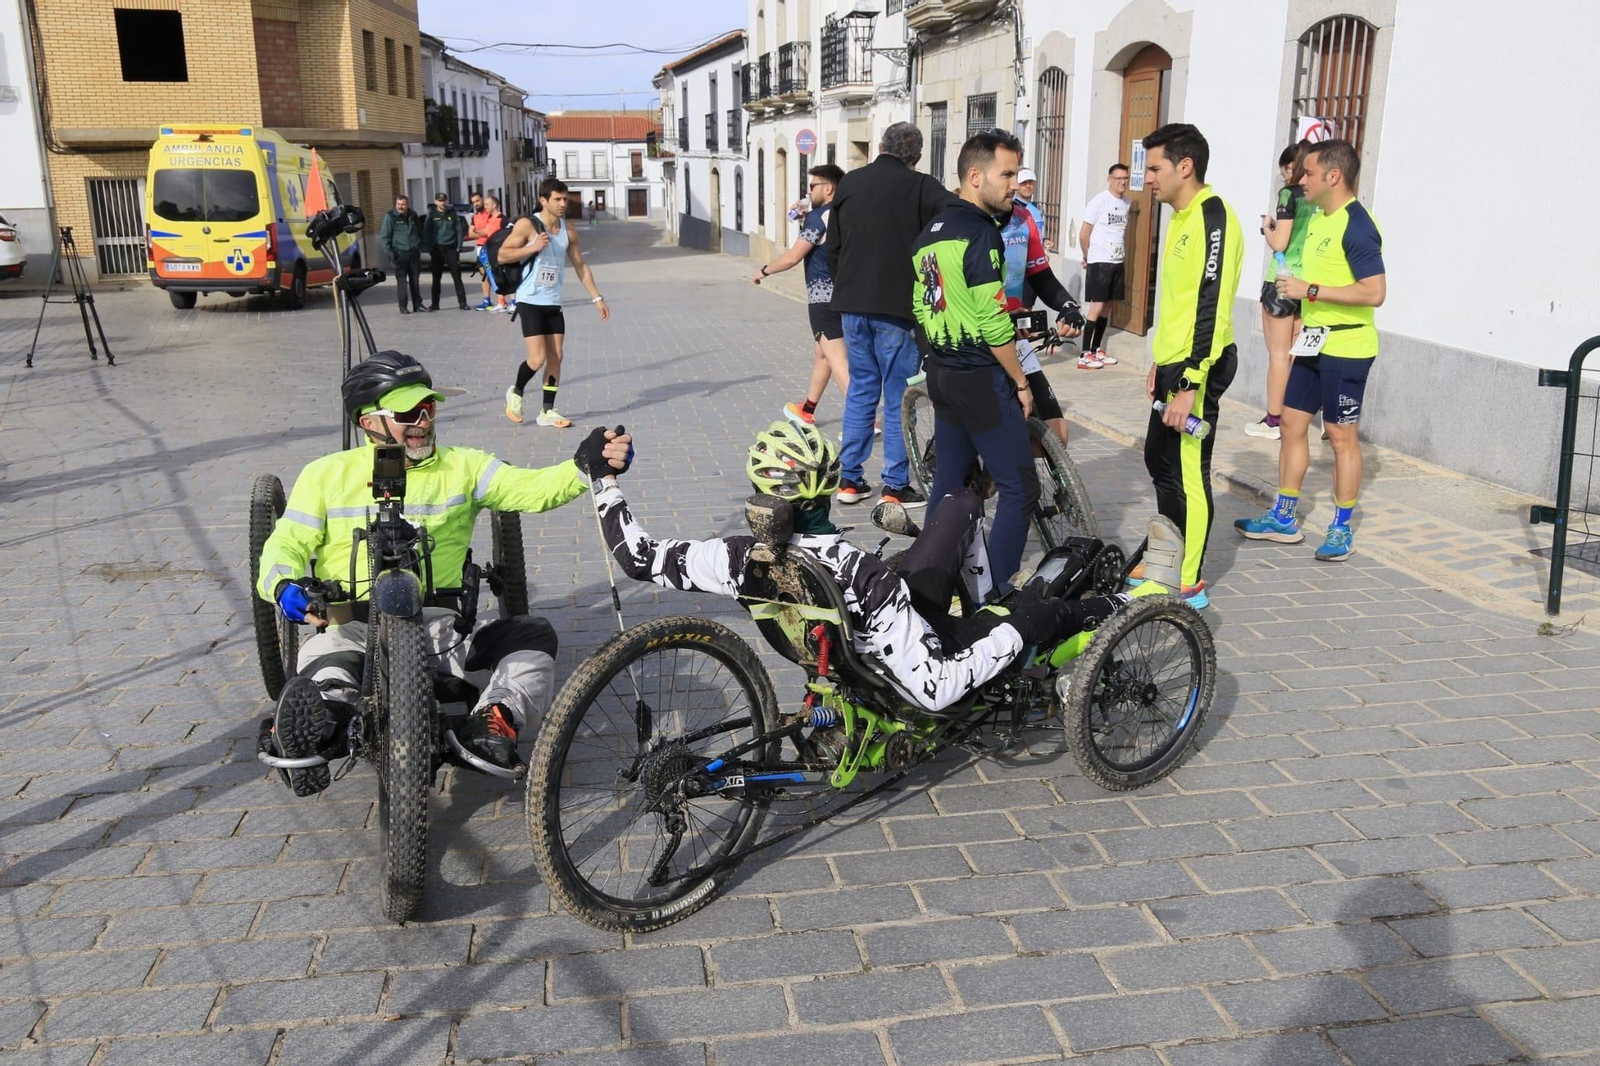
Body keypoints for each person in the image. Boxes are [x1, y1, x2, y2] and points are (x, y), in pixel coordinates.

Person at [592, 419, 1186, 714]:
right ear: (824, 493)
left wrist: (602, 477)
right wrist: (1014, 631)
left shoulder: (736, 556)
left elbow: (635, 556)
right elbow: (934, 689)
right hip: (910, 646)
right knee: (1042, 609)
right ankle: (1137, 596)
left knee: (959, 506)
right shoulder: (857, 571)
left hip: (850, 631)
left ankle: (967, 566)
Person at [255, 351, 634, 794]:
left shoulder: (464, 465)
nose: (423, 420)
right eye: (407, 412)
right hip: (350, 629)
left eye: (428, 407)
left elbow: (531, 490)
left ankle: (494, 722)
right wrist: (284, 585)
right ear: (368, 421)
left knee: (532, 637)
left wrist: (583, 466)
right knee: (330, 671)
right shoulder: (324, 475)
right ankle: (321, 724)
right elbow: (286, 542)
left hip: (441, 631)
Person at [1236, 138, 1385, 562]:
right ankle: (1284, 517)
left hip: (1348, 345)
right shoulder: (1319, 217)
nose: (1301, 179)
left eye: (1310, 173)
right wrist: (1298, 293)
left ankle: (1340, 528)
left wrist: (1311, 290)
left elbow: (1375, 292)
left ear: (1333, 177)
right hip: (1314, 340)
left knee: (1340, 436)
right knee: (1290, 424)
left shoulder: (1357, 224)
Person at [910, 129, 1039, 592]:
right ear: (975, 175)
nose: (1014, 183)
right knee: (1020, 489)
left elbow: (922, 308)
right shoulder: (980, 233)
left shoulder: (930, 233)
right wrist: (1020, 382)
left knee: (948, 487)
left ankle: (928, 588)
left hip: (943, 374)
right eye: (1007, 174)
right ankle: (998, 603)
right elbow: (992, 317)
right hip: (980, 379)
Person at [824, 121, 958, 508]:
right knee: (899, 395)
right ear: (915, 157)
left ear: (880, 146)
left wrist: (848, 285)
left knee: (862, 389)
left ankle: (849, 480)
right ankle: (894, 486)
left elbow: (833, 246)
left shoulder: (849, 183)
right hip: (897, 308)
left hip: (852, 305)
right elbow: (956, 212)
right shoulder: (921, 186)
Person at [1138, 123, 1242, 610]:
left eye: (1155, 167)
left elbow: (1210, 306)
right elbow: (1177, 301)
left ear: (1185, 166)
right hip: (1173, 363)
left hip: (1198, 367)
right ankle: (1168, 559)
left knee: (1188, 472)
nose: (1148, 177)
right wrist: (1158, 363)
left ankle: (1189, 581)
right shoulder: (1179, 216)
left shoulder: (1213, 217)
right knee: (1158, 461)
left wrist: (1187, 384)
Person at [498, 177, 610, 429]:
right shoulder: (528, 225)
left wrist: (597, 298)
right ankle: (516, 392)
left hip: (553, 302)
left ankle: (547, 410)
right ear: (543, 200)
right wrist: (532, 247)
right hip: (529, 301)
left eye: (564, 199)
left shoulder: (568, 230)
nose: (562, 204)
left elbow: (580, 266)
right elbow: (503, 255)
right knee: (537, 359)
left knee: (556, 356)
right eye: (557, 199)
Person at [753, 164, 851, 429]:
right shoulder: (842, 213)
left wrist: (764, 270)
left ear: (828, 188)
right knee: (822, 353)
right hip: (845, 294)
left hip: (822, 298)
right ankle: (807, 409)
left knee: (838, 359)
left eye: (812, 186)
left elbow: (794, 256)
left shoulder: (818, 218)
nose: (808, 191)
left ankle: (864, 421)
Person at [999, 178, 1087, 446]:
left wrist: (1068, 306)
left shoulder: (1023, 217)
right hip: (980, 340)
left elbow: (1041, 275)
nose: (1014, 183)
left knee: (1057, 436)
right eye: (1007, 174)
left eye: (1016, 173)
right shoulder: (968, 220)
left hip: (1017, 333)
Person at [1246, 142, 1319, 440]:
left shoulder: (1289, 194)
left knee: (1277, 355)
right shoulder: (1321, 197)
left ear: (1291, 167)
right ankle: (1293, 417)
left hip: (1282, 280)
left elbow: (1280, 243)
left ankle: (1273, 421)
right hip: (1308, 285)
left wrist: (1267, 227)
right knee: (1295, 355)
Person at [1078, 163, 1132, 369]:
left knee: (1107, 306)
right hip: (1099, 261)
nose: (1122, 182)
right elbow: (1085, 233)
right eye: (1118, 178)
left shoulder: (1127, 203)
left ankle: (1096, 349)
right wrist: (1087, 255)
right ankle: (1084, 353)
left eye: (1125, 178)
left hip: (1117, 260)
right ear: (1109, 179)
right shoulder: (1099, 201)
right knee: (1097, 306)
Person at [379, 195, 424, 314]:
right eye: (398, 204)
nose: (400, 207)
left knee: (415, 280)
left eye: (403, 204)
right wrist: (391, 255)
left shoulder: (413, 215)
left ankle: (417, 304)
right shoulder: (390, 217)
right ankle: (403, 306)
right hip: (399, 253)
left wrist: (419, 245)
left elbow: (419, 231)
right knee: (402, 281)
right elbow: (384, 238)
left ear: (407, 205)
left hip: (413, 253)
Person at [425, 192, 469, 312]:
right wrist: (429, 248)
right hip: (437, 249)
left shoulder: (452, 214)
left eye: (444, 200)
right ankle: (435, 304)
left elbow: (459, 231)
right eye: (439, 201)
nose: (442, 203)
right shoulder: (432, 215)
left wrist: (458, 247)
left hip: (451, 249)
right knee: (436, 278)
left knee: (457, 277)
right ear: (435, 202)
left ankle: (463, 303)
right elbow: (426, 232)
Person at [469, 193, 508, 311]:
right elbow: (470, 233)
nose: (476, 204)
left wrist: (481, 232)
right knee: (484, 274)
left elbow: (489, 231)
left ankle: (502, 300)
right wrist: (482, 232)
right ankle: (487, 300)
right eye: (473, 202)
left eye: (478, 201)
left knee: (495, 273)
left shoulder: (490, 215)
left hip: (490, 247)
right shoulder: (474, 217)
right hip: (480, 248)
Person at [1014, 166, 1049, 248]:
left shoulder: (1036, 207)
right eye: (1023, 183)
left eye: (1030, 182)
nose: (1028, 186)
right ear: (1016, 185)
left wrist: (1043, 241)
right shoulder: (1013, 207)